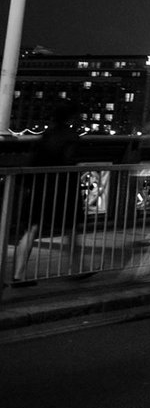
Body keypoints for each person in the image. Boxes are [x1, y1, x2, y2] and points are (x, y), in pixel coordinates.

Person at [9, 106, 84, 285]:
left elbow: (34, 160)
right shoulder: (71, 136)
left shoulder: (46, 135)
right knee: (70, 228)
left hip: (41, 186)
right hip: (63, 187)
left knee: (32, 228)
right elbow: (69, 161)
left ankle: (19, 274)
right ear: (70, 118)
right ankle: (75, 268)